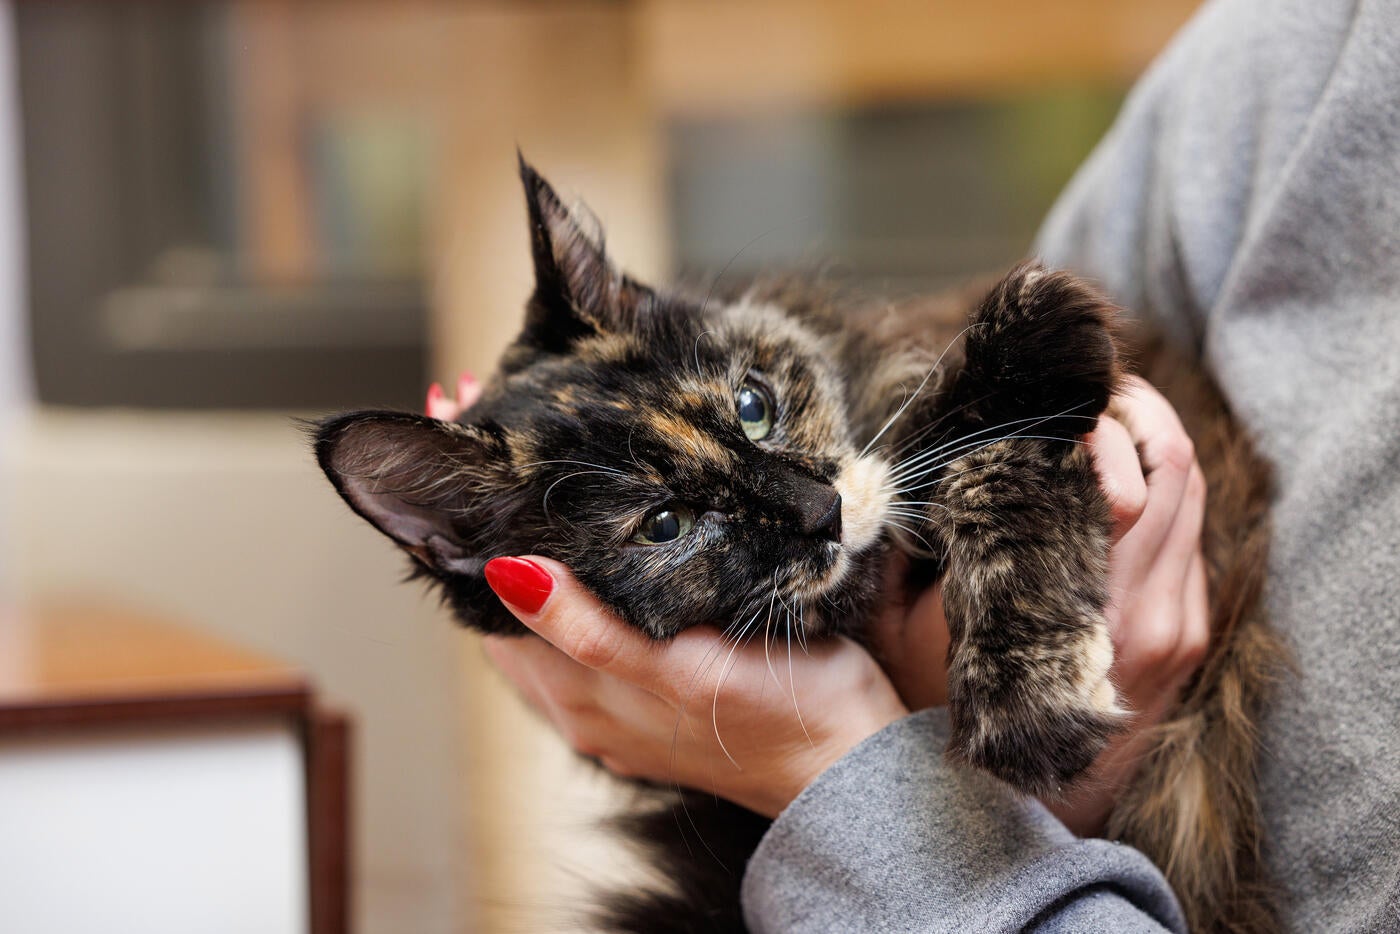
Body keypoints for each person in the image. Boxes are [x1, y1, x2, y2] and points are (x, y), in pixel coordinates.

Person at [469, 0, 1400, 927]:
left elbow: (1050, 348)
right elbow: (1069, 329)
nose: (809, 506)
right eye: (667, 524)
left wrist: (851, 767)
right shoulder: (1290, 52)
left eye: (755, 408)